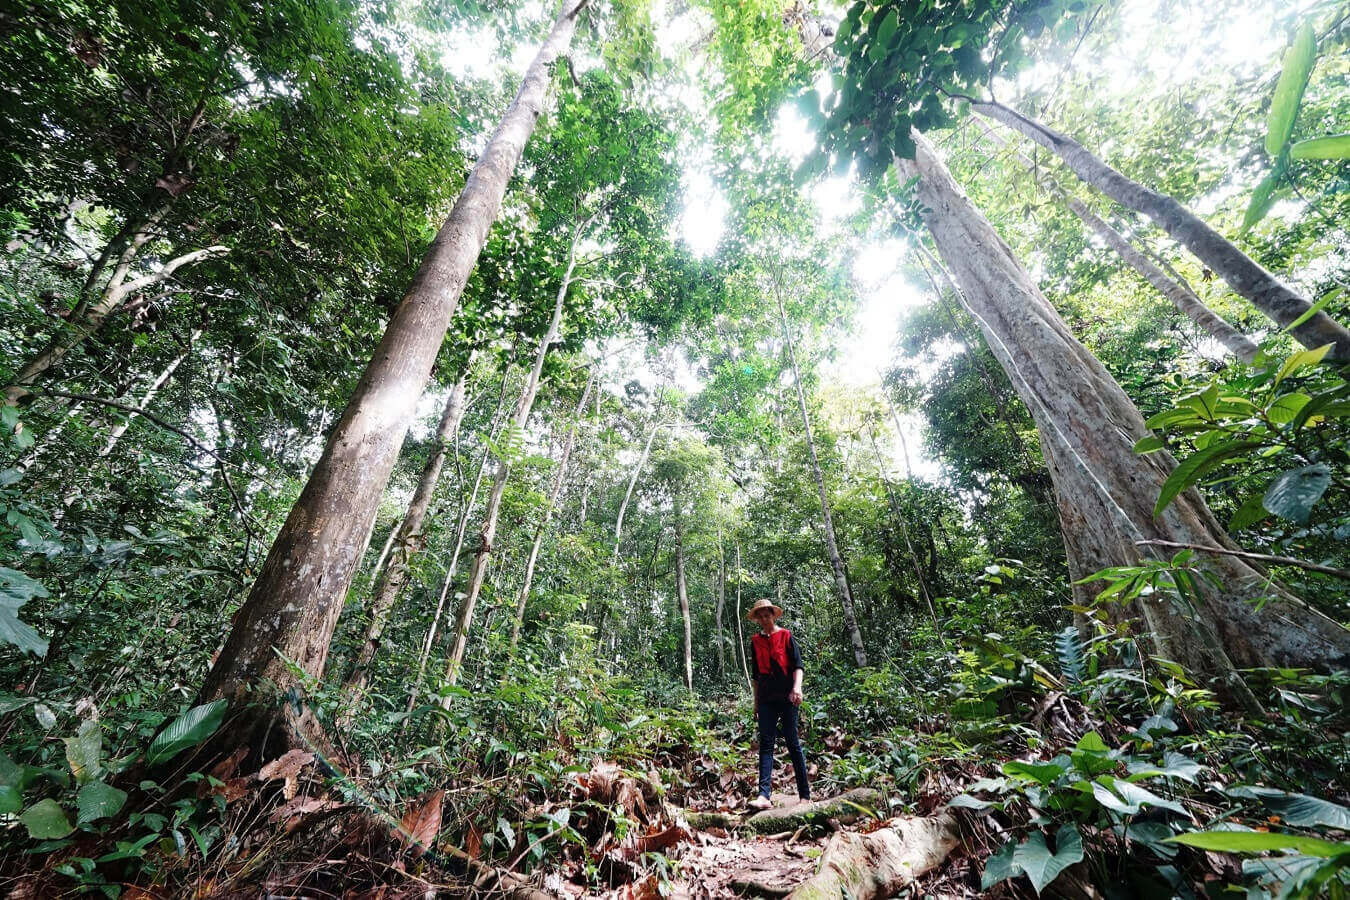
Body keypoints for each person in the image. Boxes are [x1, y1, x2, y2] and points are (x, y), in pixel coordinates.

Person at [745, 598, 809, 810]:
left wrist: (797, 688)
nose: (764, 619)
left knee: (792, 742)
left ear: (773, 615)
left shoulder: (786, 636)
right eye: (760, 616)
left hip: (788, 696)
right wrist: (755, 704)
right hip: (765, 699)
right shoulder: (755, 641)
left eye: (767, 615)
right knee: (766, 745)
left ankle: (805, 796)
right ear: (757, 619)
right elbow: (756, 676)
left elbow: (798, 666)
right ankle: (764, 796)